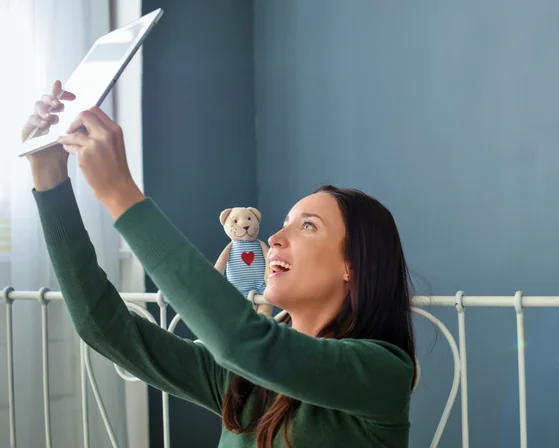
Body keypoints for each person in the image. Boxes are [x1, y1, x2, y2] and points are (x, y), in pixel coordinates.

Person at [23, 80, 417, 448]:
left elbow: (245, 343)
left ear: (352, 265)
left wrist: (120, 194)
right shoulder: (241, 377)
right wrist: (49, 175)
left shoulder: (383, 373)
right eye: (283, 225)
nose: (276, 239)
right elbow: (103, 327)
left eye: (308, 226)